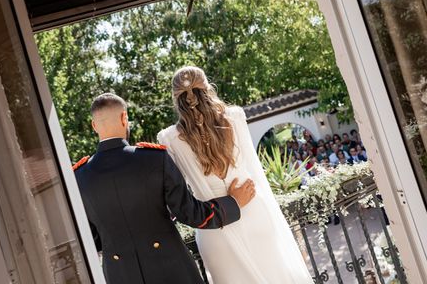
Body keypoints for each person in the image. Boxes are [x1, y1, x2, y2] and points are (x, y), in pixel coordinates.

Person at [74, 93, 255, 284]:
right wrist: (233, 202)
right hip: (172, 269)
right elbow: (191, 214)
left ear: (94, 126)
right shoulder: (153, 158)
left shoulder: (79, 176)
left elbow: (91, 239)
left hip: (120, 276)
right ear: (124, 118)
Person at [158, 66, 313, 284]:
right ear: (207, 87)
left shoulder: (169, 138)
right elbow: (254, 168)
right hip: (253, 211)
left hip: (214, 228)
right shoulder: (235, 117)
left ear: (176, 98)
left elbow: (180, 193)